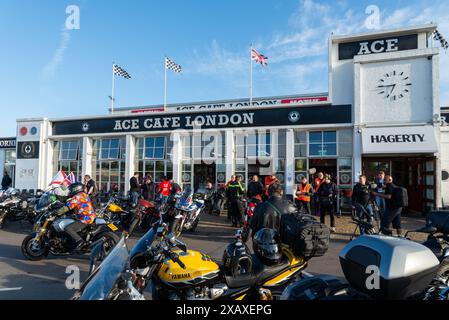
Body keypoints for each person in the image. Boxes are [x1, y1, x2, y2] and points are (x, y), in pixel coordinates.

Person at [64, 182, 96, 252]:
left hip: (85, 218)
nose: (70, 191)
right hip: (90, 216)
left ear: (76, 189)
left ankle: (80, 241)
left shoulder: (77, 196)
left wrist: (58, 211)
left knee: (68, 228)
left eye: (71, 189)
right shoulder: (84, 194)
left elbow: (68, 206)